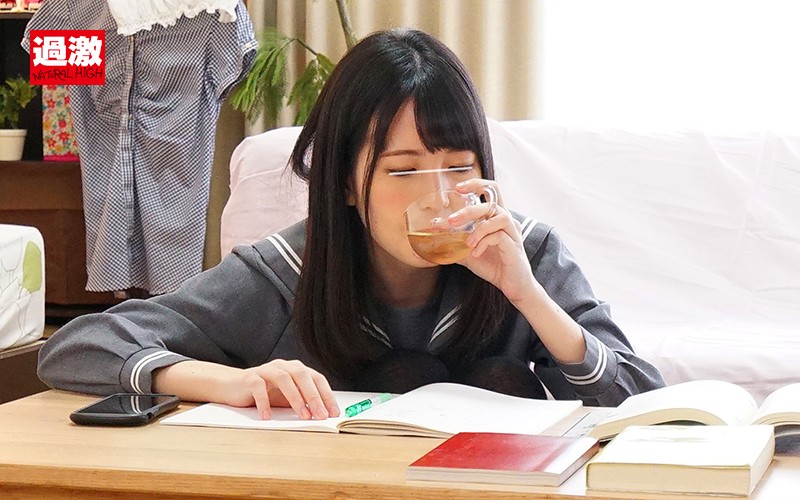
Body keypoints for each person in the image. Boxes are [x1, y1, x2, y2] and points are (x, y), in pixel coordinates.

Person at [38, 28, 664, 421]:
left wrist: (528, 296)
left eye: (459, 166)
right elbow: (77, 347)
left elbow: (642, 401)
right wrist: (231, 382)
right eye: (402, 170)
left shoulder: (524, 252)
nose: (439, 197)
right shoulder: (286, 271)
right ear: (344, 181)